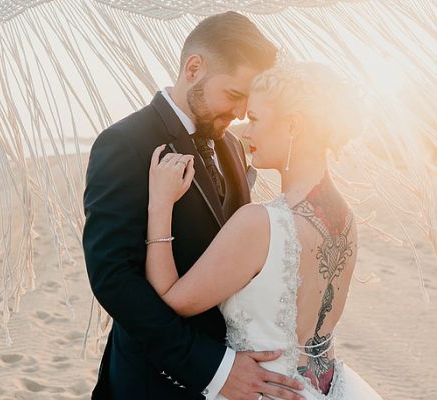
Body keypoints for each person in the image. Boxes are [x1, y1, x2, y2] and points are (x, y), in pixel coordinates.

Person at [83, 11, 305, 400]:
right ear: (194, 68)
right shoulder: (124, 143)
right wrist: (213, 368)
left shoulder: (233, 147)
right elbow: (113, 279)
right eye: (234, 95)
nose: (239, 113)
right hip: (153, 381)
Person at [145, 62, 383, 399]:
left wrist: (160, 204)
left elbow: (173, 299)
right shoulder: (346, 218)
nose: (245, 133)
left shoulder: (259, 223)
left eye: (254, 119)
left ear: (292, 126)